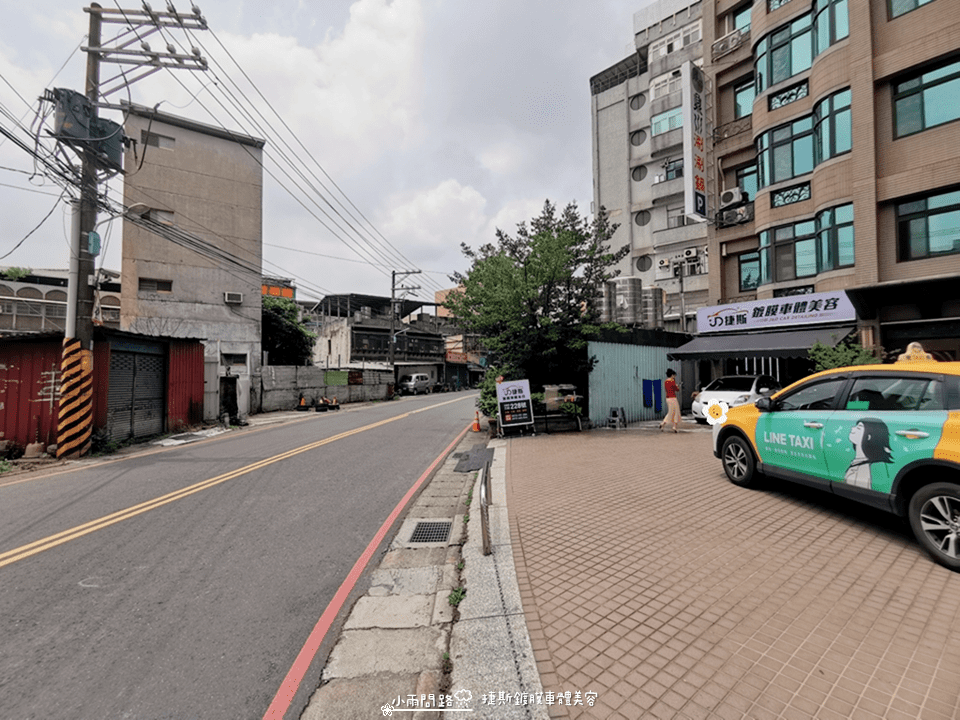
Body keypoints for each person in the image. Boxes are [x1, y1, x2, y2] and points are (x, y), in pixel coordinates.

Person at [845, 418, 893, 489]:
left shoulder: (871, 467)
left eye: (858, 428)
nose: (852, 428)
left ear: (868, 437)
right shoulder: (859, 462)